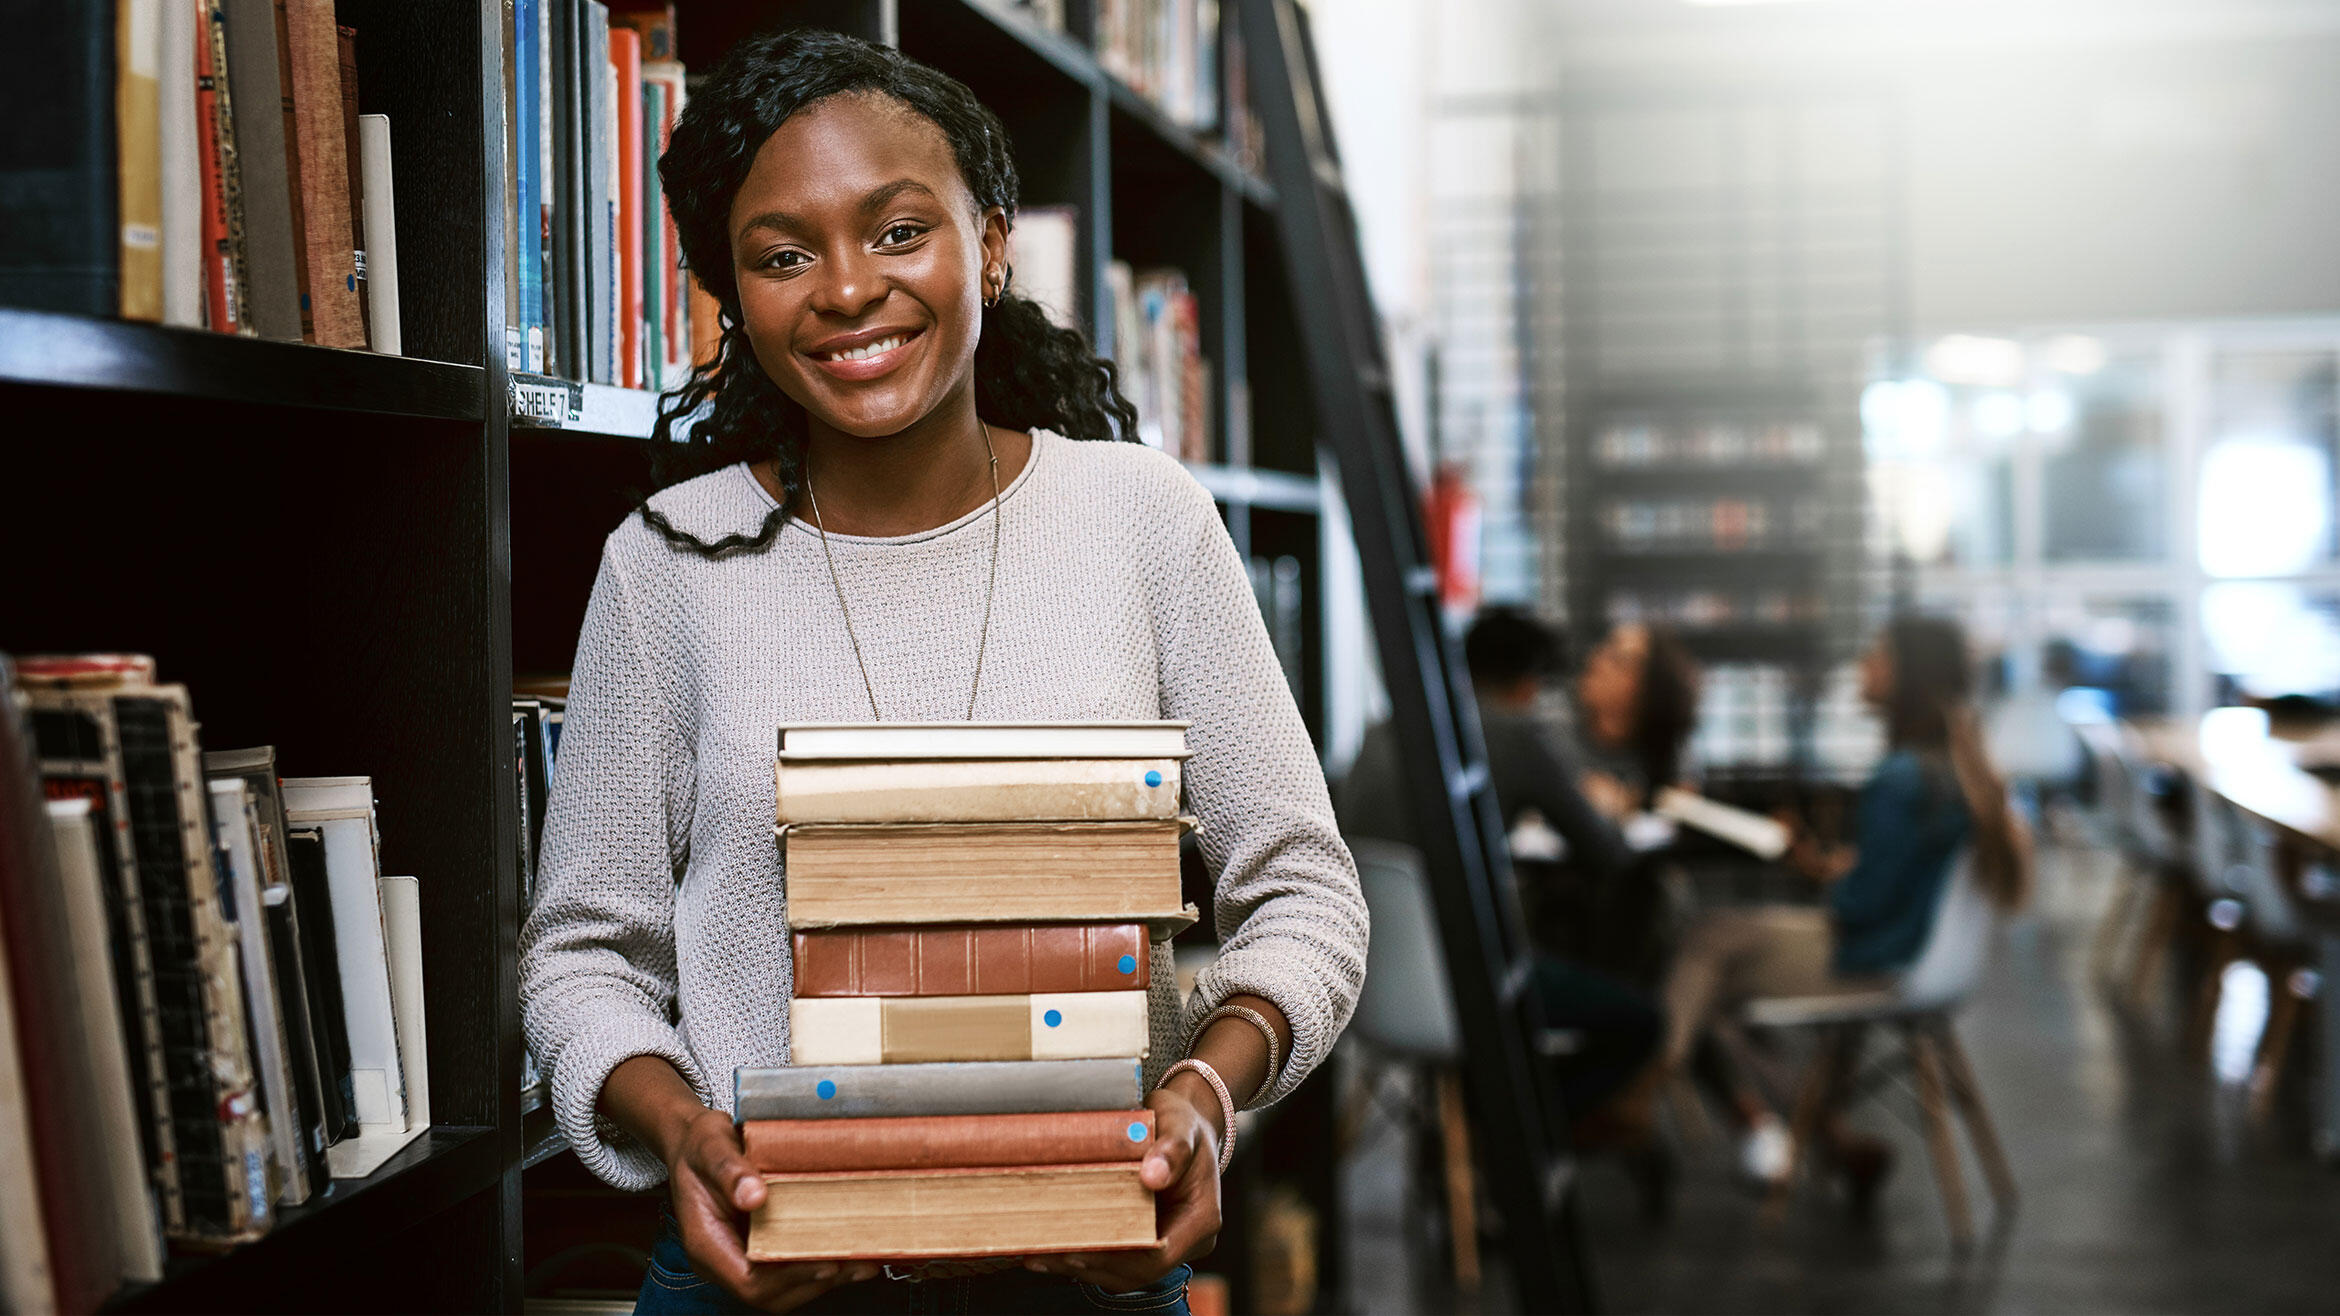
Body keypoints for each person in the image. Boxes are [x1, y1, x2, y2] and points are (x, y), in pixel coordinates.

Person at [518, 31, 1370, 1316]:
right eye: (784, 254)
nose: (848, 289)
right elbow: (582, 956)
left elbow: (1306, 891)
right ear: (731, 293)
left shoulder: (1144, 520)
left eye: (898, 229)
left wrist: (1203, 1092)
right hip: (761, 1274)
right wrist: (684, 1126)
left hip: (1089, 1262)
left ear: (993, 240)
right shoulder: (666, 563)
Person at [1642, 615, 2033, 1202]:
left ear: (1907, 676)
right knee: (1718, 975)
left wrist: (1833, 879)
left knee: (1705, 944)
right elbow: (1897, 877)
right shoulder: (1953, 769)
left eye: (1875, 657)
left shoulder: (1901, 778)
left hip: (1881, 958)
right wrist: (1836, 867)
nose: (1861, 670)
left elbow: (1861, 905)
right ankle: (1830, 1138)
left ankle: (1639, 1092)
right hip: (1922, 958)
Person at [1336, 609, 1660, 1136]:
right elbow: (1608, 853)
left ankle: (1485, 1112)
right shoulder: (1514, 735)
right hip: (1464, 991)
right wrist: (1613, 808)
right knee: (1641, 1022)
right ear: (1530, 683)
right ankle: (1506, 1123)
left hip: (1362, 992)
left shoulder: (1379, 732)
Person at [1573, 621, 1702, 820]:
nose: (1595, 661)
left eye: (1618, 658)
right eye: (1601, 648)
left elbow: (1680, 812)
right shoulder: (1551, 736)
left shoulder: (1671, 753)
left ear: (1653, 684)